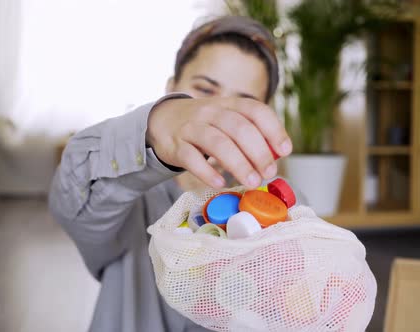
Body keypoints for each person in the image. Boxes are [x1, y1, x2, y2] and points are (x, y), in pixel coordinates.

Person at [49, 16, 291, 332]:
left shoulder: (279, 215)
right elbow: (72, 194)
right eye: (204, 89)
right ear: (171, 89)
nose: (216, 114)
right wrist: (152, 127)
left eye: (243, 103)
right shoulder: (128, 200)